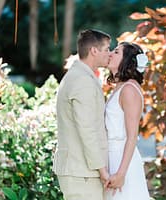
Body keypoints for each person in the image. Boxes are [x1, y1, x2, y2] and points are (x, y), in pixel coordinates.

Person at [53, 29, 111, 200]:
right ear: (94, 50)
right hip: (82, 172)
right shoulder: (82, 80)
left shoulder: (79, 75)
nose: (109, 54)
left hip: (80, 171)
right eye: (107, 49)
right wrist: (102, 170)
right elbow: (87, 129)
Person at [105, 42, 150, 199]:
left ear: (127, 61)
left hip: (122, 161)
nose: (110, 53)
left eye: (116, 52)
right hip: (112, 158)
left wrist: (121, 173)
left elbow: (132, 136)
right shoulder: (120, 87)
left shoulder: (129, 89)